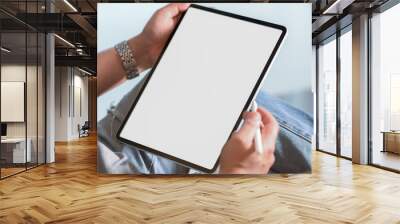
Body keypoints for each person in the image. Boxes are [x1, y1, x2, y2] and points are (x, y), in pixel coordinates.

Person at [97, 3, 312, 174]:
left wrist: (143, 49)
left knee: (231, 92)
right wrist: (234, 177)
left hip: (117, 133)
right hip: (131, 177)